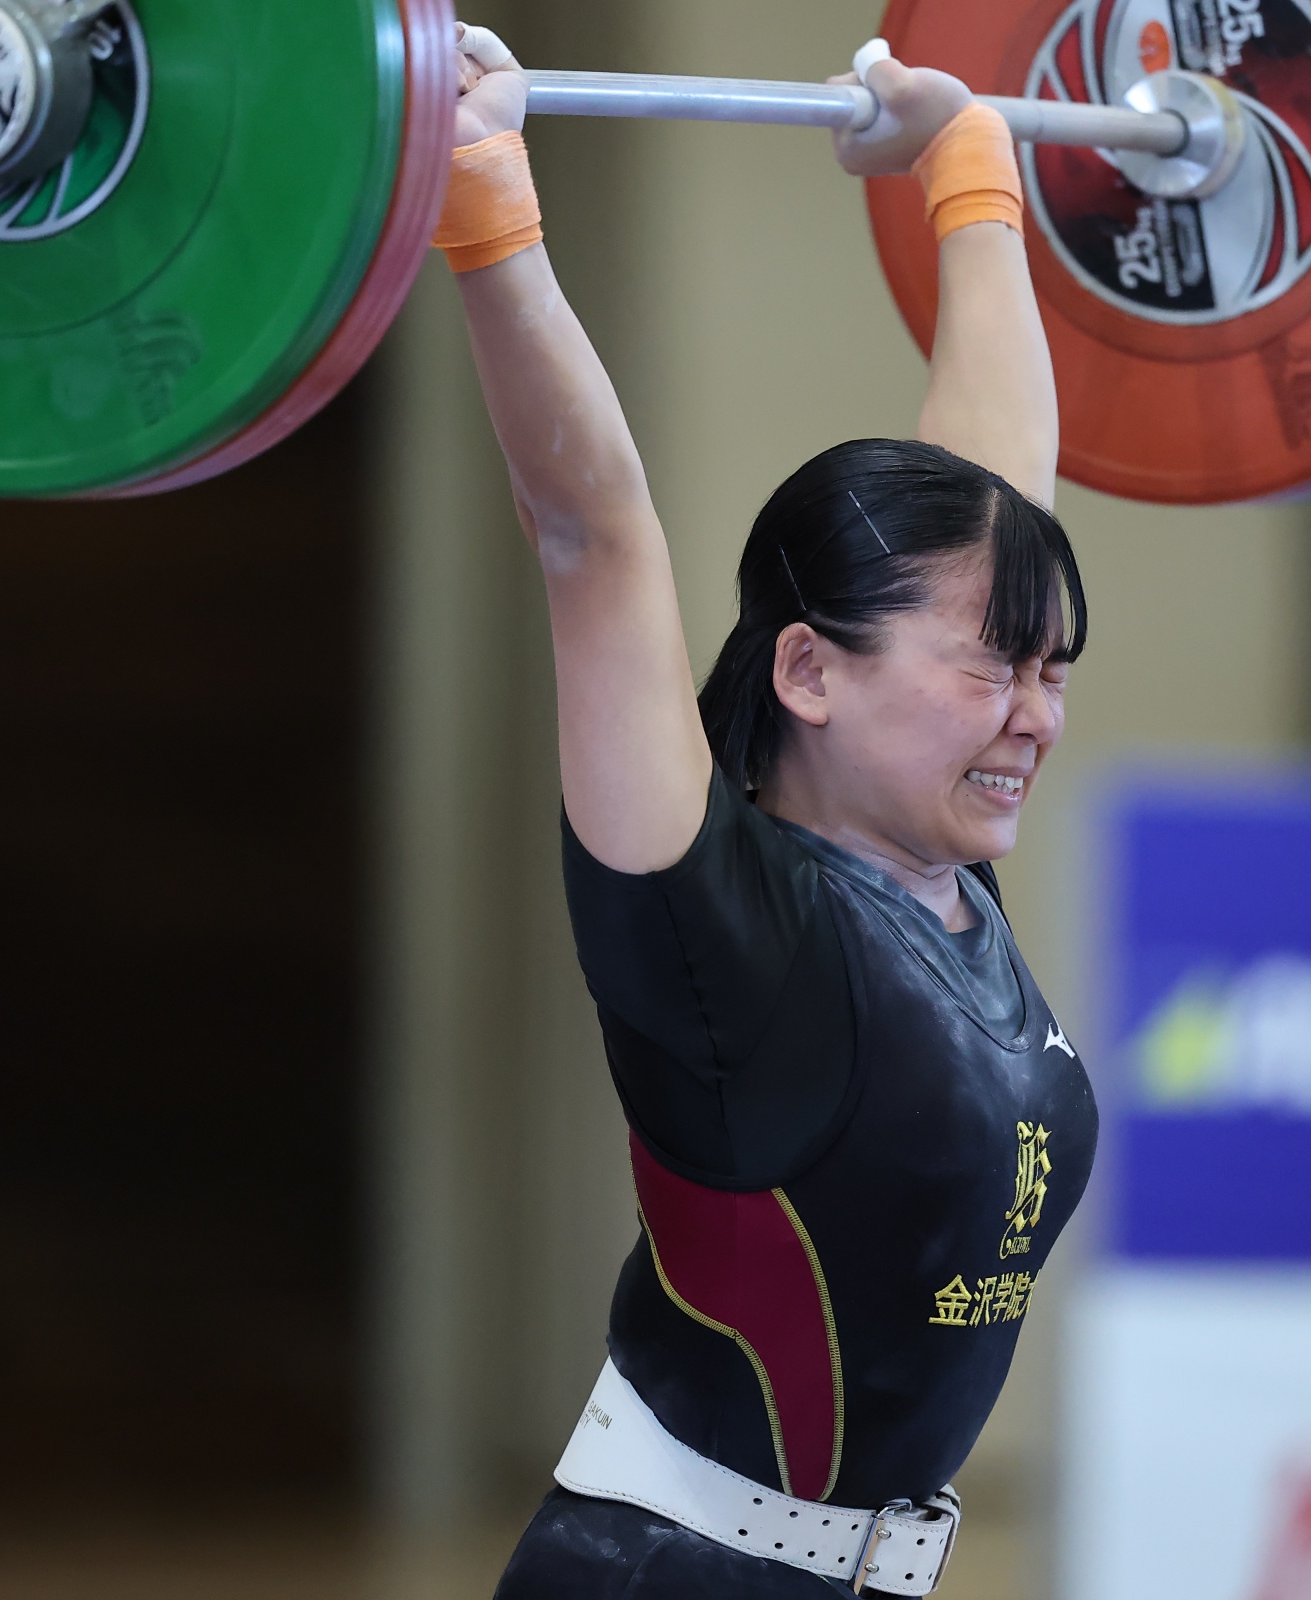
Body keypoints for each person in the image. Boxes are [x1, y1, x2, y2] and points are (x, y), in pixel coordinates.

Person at [434, 23, 1099, 1598]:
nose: (1037, 717)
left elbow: (1001, 499)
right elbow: (592, 533)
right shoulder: (725, 932)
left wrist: (971, 170)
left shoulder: (939, 878)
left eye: (1054, 671)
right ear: (809, 671)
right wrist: (483, 199)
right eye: (997, 669)